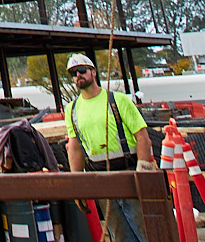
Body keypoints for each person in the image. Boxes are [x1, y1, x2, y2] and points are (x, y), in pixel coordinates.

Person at [64, 52, 157, 242]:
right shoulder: (72, 109)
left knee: (146, 232)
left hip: (129, 175)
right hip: (102, 181)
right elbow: (74, 148)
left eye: (82, 70)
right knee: (120, 235)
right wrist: (77, 185)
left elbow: (142, 136)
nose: (78, 76)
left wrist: (143, 172)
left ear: (94, 72)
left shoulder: (118, 101)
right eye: (74, 73)